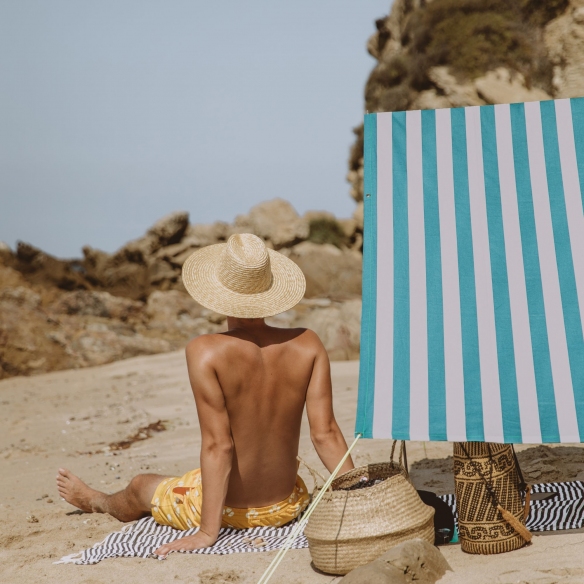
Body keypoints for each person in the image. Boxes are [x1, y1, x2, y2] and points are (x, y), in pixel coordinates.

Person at [56, 233, 354, 558]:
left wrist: (208, 532)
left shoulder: (205, 351)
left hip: (231, 513)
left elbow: (218, 446)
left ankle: (96, 501)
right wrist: (357, 495)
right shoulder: (308, 343)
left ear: (219, 293)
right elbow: (326, 433)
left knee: (141, 486)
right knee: (191, 479)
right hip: (287, 505)